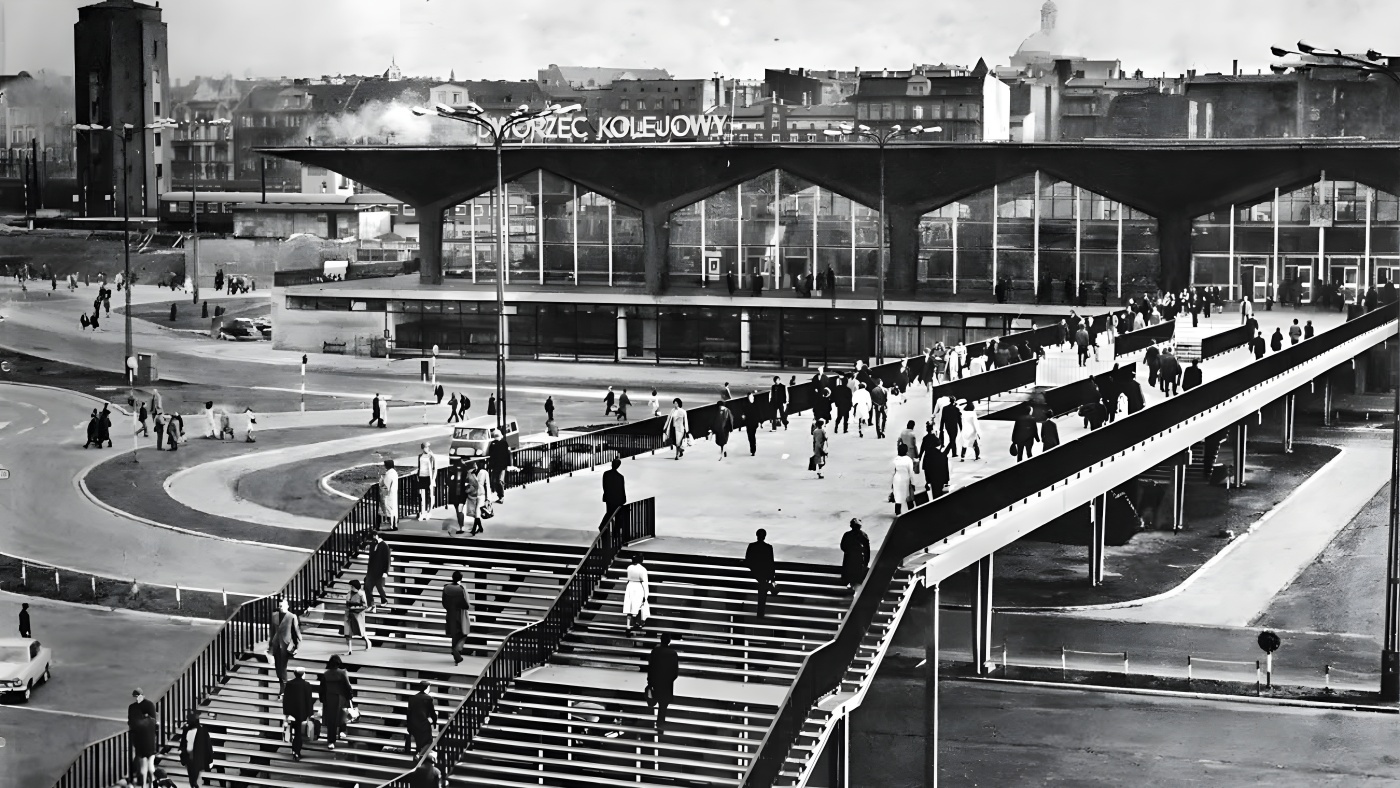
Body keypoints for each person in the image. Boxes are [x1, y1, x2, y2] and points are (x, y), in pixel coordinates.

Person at [319, 654, 356, 750]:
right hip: (341, 699)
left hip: (329, 699)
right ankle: (342, 731)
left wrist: (322, 699)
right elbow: (348, 686)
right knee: (342, 715)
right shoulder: (343, 673)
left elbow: (322, 689)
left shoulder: (325, 674)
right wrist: (350, 696)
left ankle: (331, 741)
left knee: (331, 721)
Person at [646, 632, 680, 733]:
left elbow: (651, 667)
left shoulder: (655, 651)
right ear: (669, 641)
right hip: (666, 683)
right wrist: (669, 679)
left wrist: (650, 681)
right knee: (663, 705)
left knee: (654, 699)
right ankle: (660, 723)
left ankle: (653, 723)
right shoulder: (673, 653)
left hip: (656, 682)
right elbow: (675, 671)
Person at [268, 597, 301, 691]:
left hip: (286, 645)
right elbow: (272, 631)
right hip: (276, 644)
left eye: (283, 605)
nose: (281, 606)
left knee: (282, 666)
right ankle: (282, 686)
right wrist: (270, 646)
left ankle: (283, 688)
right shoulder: (274, 616)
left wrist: (296, 646)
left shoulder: (291, 617)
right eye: (280, 605)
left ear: (287, 606)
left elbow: (295, 632)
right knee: (278, 667)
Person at [744, 529, 778, 618]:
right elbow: (771, 563)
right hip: (764, 576)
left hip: (755, 574)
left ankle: (760, 614)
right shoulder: (768, 547)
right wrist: (772, 578)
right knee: (763, 585)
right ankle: (760, 614)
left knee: (762, 585)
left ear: (757, 535)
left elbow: (748, 560)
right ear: (765, 536)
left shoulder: (752, 546)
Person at [442, 571, 472, 665]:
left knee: (454, 635)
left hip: (451, 613)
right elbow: (466, 604)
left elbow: (444, 602)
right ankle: (456, 651)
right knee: (463, 633)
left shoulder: (446, 588)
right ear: (461, 578)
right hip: (461, 614)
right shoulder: (462, 588)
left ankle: (456, 654)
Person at [179, 710, 214, 783]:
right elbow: (183, 743)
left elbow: (208, 746)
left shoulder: (201, 731)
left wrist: (210, 759)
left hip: (196, 758)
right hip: (190, 757)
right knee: (192, 779)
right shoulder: (188, 729)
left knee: (193, 778)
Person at [406, 681, 437, 755]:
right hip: (423, 723)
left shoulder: (412, 698)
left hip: (414, 723)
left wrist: (408, 725)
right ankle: (423, 755)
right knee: (429, 741)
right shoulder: (428, 698)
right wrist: (434, 722)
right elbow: (432, 712)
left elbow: (409, 713)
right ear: (427, 688)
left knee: (418, 740)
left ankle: (418, 752)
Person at [132, 707, 159, 788]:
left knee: (143, 768)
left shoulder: (138, 723)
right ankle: (154, 784)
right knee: (151, 767)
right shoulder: (153, 722)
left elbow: (135, 736)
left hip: (142, 749)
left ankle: (143, 785)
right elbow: (156, 732)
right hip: (151, 748)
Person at [839, 519, 870, 590]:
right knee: (857, 572)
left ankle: (850, 583)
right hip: (858, 557)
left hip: (849, 556)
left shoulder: (847, 534)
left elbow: (843, 545)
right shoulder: (863, 535)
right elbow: (867, 550)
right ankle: (855, 585)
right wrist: (866, 561)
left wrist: (847, 551)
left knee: (850, 571)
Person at [623, 554, 650, 635]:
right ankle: (638, 623)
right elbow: (645, 582)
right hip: (638, 587)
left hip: (630, 586)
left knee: (630, 606)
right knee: (639, 605)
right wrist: (646, 595)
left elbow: (628, 578)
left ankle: (628, 626)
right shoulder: (642, 569)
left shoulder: (629, 567)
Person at [921, 421, 950, 494]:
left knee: (927, 471)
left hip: (927, 457)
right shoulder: (936, 439)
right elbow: (940, 447)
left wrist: (919, 457)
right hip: (934, 457)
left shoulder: (925, 438)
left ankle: (928, 482)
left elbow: (922, 449)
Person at [365, 532, 391, 612]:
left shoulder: (384, 546)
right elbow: (370, 559)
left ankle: (384, 600)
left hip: (380, 571)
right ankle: (370, 604)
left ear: (377, 536)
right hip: (372, 571)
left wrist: (386, 571)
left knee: (379, 587)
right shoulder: (373, 545)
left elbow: (387, 560)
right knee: (367, 587)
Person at [486, 428, 510, 504]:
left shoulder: (493, 444)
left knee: (497, 481)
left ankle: (500, 496)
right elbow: (507, 455)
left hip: (497, 465)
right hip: (501, 465)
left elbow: (491, 455)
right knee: (498, 481)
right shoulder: (504, 443)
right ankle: (500, 496)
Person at [891, 443, 915, 515]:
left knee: (898, 496)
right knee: (908, 496)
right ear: (906, 451)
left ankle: (897, 512)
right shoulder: (908, 460)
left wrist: (892, 483)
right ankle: (910, 511)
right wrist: (913, 483)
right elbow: (911, 473)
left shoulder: (895, 459)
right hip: (905, 479)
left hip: (897, 479)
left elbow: (893, 472)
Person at [602, 457, 627, 527]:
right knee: (617, 515)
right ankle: (616, 530)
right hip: (618, 499)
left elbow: (604, 486)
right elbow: (622, 489)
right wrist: (623, 499)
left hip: (609, 498)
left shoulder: (606, 474)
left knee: (609, 513)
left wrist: (607, 495)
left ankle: (604, 526)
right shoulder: (620, 477)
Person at [416, 442, 438, 520]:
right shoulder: (420, 456)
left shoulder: (431, 456)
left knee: (429, 495)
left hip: (429, 477)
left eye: (428, 447)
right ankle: (422, 512)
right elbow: (419, 467)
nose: (427, 449)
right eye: (425, 447)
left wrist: (433, 479)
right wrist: (417, 476)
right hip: (421, 476)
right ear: (422, 448)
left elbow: (435, 469)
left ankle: (428, 512)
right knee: (421, 495)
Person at [378, 460, 400, 531]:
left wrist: (381, 480)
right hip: (393, 493)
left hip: (389, 494)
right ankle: (394, 524)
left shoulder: (389, 474)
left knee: (389, 509)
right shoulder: (395, 473)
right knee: (394, 509)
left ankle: (391, 526)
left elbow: (385, 485)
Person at [743, 392, 762, 456]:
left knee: (751, 436)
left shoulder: (746, 406)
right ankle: (753, 450)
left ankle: (753, 450)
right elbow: (759, 414)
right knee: (752, 436)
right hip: (752, 423)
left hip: (751, 423)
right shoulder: (755, 405)